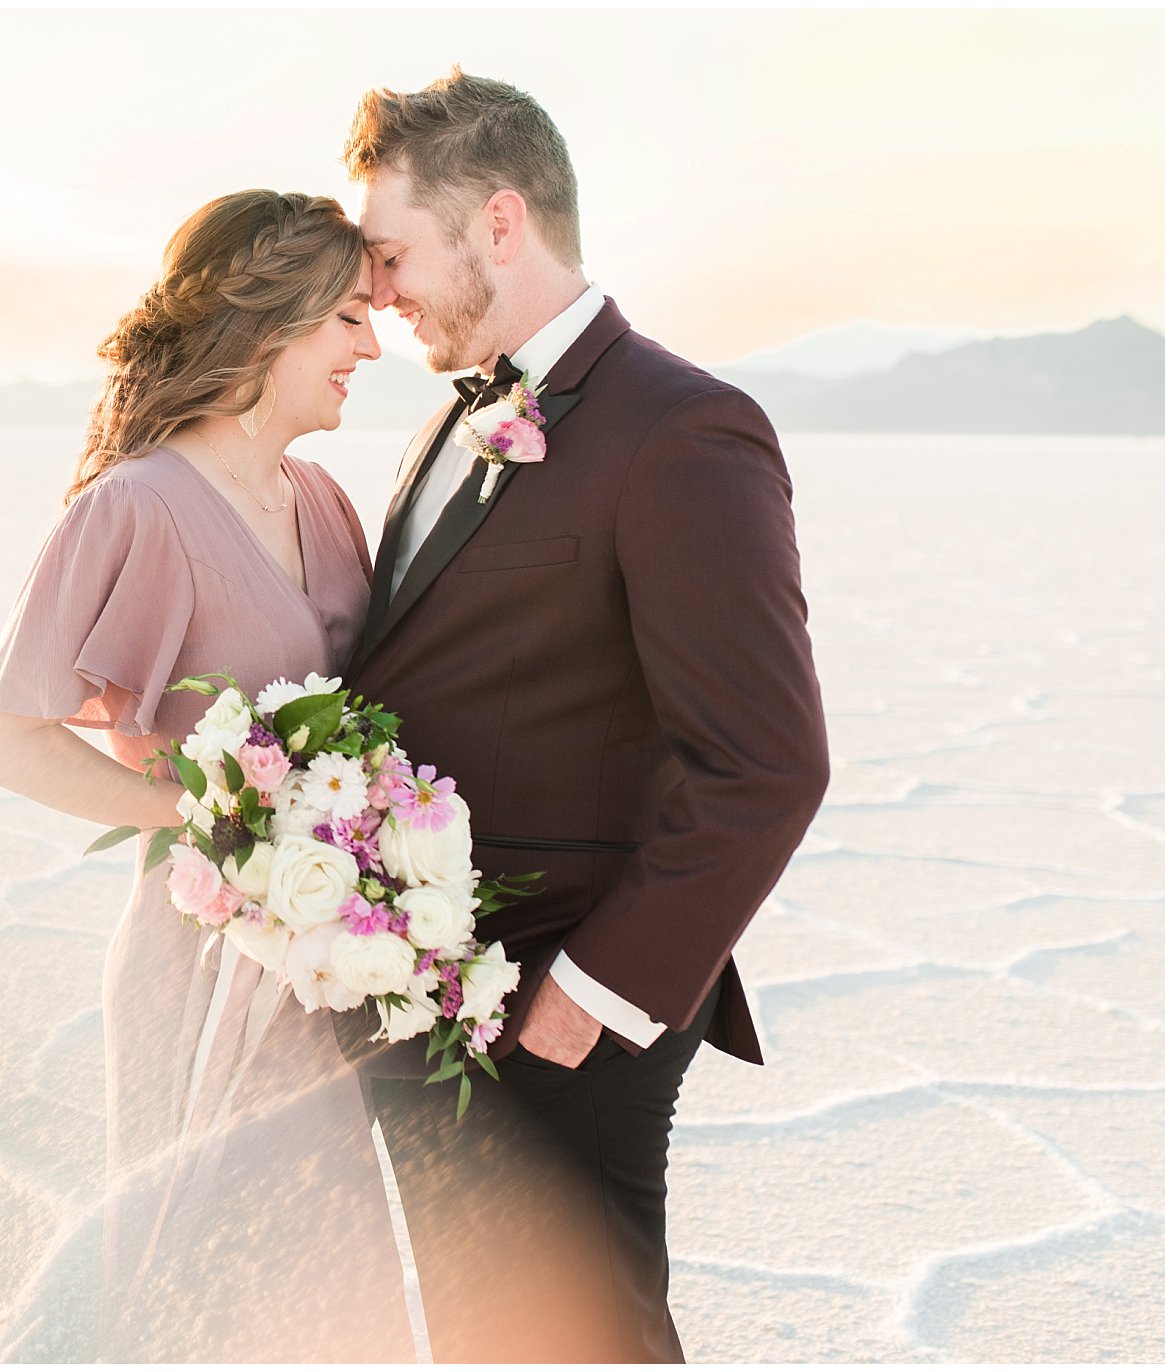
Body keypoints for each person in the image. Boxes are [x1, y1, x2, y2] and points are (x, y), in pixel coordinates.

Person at [335, 70, 832, 1361]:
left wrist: (587, 1003)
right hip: (433, 1002)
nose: (376, 291)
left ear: (500, 222)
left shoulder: (684, 431)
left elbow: (767, 766)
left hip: (560, 1010)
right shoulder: (452, 419)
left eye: (391, 252)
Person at [0, 190, 416, 1362]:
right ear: (271, 322)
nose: (373, 345)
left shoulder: (322, 502)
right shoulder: (136, 508)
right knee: (205, 1288)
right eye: (351, 319)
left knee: (335, 1289)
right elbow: (2, 736)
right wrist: (200, 818)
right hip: (198, 967)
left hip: (324, 973)